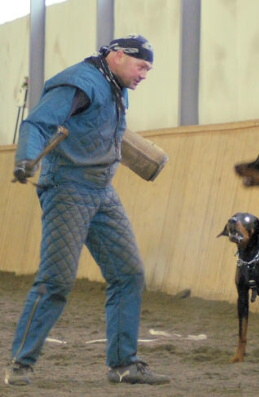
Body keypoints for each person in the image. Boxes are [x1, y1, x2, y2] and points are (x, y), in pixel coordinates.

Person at [4, 34, 170, 386]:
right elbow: (37, 123)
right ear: (118, 56)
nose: (144, 74)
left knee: (128, 274)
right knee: (56, 281)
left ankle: (123, 365)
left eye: (148, 69)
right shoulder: (79, 82)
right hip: (67, 189)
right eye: (142, 66)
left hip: (101, 190)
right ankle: (18, 365)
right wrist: (25, 159)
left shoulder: (115, 85)